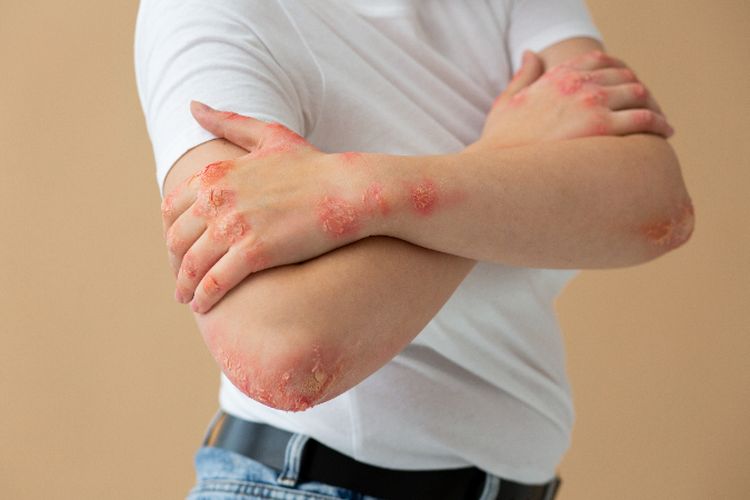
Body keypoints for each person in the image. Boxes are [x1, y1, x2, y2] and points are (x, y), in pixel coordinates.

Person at [134, 0, 693, 498]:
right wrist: (508, 150)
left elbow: (653, 203)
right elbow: (282, 353)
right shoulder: (211, 11)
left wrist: (355, 190)